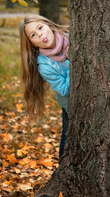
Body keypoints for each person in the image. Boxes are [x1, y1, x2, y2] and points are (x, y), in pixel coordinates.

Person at [19, 14, 69, 159]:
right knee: (68, 138)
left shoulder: (71, 37)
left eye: (40, 27)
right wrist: (72, 60)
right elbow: (65, 89)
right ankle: (63, 166)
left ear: (49, 25)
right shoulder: (45, 65)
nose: (40, 34)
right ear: (33, 43)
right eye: (33, 35)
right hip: (71, 105)